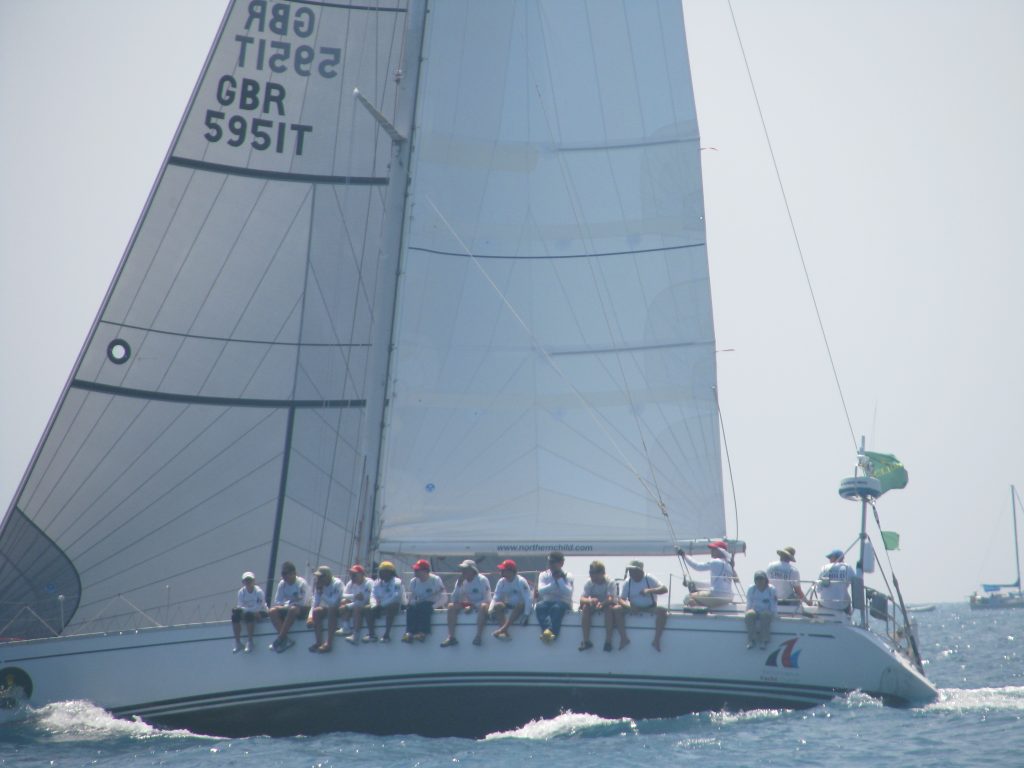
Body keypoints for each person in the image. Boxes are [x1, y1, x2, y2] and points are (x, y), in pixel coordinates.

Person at [619, 560, 668, 651]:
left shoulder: (648, 578)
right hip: (634, 608)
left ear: (640, 571)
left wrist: (650, 590)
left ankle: (656, 640)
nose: (630, 572)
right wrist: (628, 607)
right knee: (617, 609)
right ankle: (623, 638)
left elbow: (664, 589)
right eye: (629, 570)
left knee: (662, 611)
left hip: (650, 608)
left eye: (632, 570)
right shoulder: (627, 582)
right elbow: (621, 599)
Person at [441, 559, 492, 647]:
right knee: (451, 606)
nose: (463, 571)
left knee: (483, 606)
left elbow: (487, 599)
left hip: (481, 604)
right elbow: (454, 599)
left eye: (465, 569)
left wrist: (473, 606)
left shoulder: (482, 580)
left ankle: (478, 636)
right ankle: (451, 637)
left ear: (473, 570)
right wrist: (458, 585)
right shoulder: (461, 580)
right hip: (468, 604)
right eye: (462, 569)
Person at [578, 560, 625, 652]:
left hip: (607, 604)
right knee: (585, 608)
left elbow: (610, 599)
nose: (592, 575)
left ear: (602, 573)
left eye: (595, 573)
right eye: (591, 573)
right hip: (595, 604)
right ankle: (586, 641)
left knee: (608, 609)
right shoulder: (589, 582)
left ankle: (608, 641)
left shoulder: (610, 582)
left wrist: (602, 603)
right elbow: (582, 599)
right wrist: (590, 600)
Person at [268, 561, 309, 652]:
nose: (284, 576)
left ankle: (280, 638)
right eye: (283, 574)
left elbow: (303, 602)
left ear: (293, 573)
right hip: (289, 607)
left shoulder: (301, 583)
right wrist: (285, 605)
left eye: (286, 573)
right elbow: (278, 601)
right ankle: (285, 639)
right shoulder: (282, 584)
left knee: (293, 609)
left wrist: (287, 605)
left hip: (303, 608)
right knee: (272, 611)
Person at [680, 540, 737, 607]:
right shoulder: (729, 566)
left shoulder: (716, 562)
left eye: (713, 549)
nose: (711, 551)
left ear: (720, 551)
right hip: (728, 598)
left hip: (716, 596)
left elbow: (697, 566)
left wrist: (684, 556)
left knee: (688, 597)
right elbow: (714, 583)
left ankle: (697, 615)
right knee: (701, 596)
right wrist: (691, 583)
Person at [404, 559, 447, 642]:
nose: (415, 572)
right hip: (420, 604)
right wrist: (412, 603)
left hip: (435, 604)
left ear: (425, 571)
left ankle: (423, 632)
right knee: (411, 608)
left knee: (424, 607)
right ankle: (409, 632)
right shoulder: (413, 582)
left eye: (417, 570)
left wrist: (433, 606)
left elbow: (444, 598)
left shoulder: (435, 580)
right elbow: (411, 598)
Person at [535, 551, 574, 643]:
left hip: (563, 603)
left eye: (553, 562)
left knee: (556, 608)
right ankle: (547, 631)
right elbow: (541, 591)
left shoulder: (568, 575)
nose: (550, 564)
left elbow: (568, 593)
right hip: (547, 602)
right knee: (540, 606)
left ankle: (553, 633)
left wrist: (560, 580)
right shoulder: (543, 575)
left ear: (561, 563)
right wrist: (554, 583)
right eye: (549, 562)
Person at [489, 559, 533, 640]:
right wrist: (490, 610)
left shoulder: (521, 581)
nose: (501, 571)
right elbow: (496, 597)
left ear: (511, 571)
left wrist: (526, 614)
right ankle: (504, 633)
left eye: (503, 570)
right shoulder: (501, 582)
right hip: (509, 605)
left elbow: (528, 598)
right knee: (498, 605)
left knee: (520, 604)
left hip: (521, 606)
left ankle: (503, 629)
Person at [307, 565, 343, 653]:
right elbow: (315, 603)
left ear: (327, 576)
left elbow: (333, 602)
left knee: (331, 609)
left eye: (320, 577)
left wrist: (322, 593)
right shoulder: (320, 586)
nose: (318, 579)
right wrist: (310, 617)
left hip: (340, 608)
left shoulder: (337, 583)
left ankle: (329, 643)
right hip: (330, 607)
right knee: (316, 611)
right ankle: (319, 642)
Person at [366, 561, 404, 642]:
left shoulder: (397, 582)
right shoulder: (376, 582)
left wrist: (381, 605)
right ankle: (371, 634)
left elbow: (396, 597)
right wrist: (374, 605)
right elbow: (373, 595)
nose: (380, 573)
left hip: (394, 606)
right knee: (367, 608)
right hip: (380, 606)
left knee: (392, 606)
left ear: (389, 572)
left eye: (382, 571)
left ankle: (386, 635)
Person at [231, 571, 268, 653]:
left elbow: (258, 607)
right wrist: (240, 610)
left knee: (249, 615)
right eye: (246, 580)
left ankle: (250, 641)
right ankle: (238, 642)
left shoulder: (258, 592)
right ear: (243, 582)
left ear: (254, 581)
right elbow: (240, 605)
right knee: (235, 616)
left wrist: (244, 610)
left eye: (250, 580)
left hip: (261, 611)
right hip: (248, 611)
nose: (248, 582)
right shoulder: (241, 592)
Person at [744, 570, 778, 649]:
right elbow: (749, 602)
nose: (759, 581)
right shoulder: (751, 589)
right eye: (757, 579)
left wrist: (775, 614)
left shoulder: (771, 589)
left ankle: (764, 641)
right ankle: (751, 640)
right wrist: (747, 611)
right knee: (749, 615)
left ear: (765, 580)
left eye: (761, 579)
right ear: (755, 581)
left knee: (764, 615)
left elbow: (774, 604)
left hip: (767, 611)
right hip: (755, 610)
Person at [340, 564, 372, 643]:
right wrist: (353, 596)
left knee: (356, 608)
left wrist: (348, 606)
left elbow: (364, 600)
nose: (352, 576)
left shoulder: (369, 583)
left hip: (366, 606)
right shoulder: (350, 583)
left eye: (354, 574)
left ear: (361, 574)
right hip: (355, 604)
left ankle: (355, 635)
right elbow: (342, 596)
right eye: (351, 574)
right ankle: (345, 627)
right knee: (343, 602)